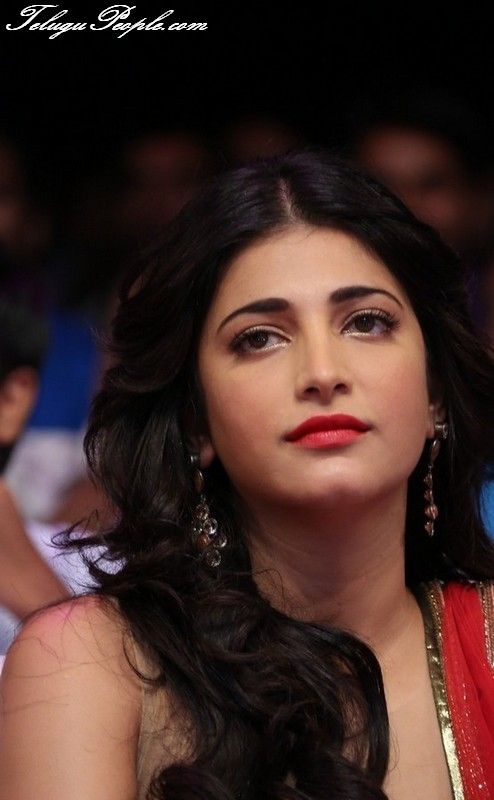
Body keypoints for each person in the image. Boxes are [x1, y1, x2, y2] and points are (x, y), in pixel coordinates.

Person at [1, 150, 494, 800]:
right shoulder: (88, 667)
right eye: (260, 337)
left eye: (366, 322)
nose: (323, 372)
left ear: (435, 393)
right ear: (195, 420)